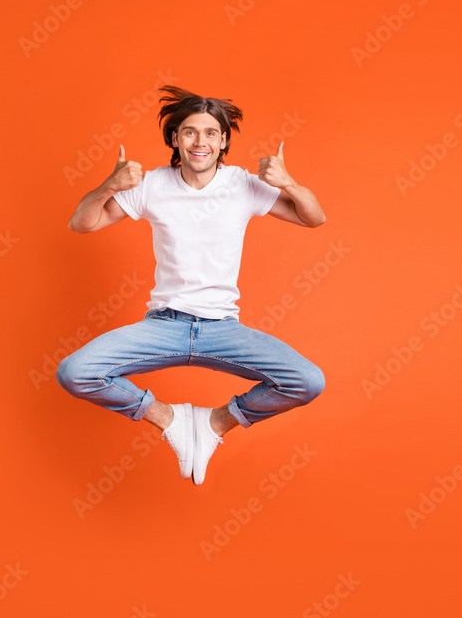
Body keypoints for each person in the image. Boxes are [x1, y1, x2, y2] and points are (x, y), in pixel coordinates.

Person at [57, 85, 326, 486]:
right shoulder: (151, 185)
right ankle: (173, 421)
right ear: (174, 139)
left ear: (223, 142)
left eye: (211, 133)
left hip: (222, 329)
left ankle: (213, 423)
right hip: (162, 325)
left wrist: (288, 182)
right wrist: (109, 185)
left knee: (307, 381)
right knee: (75, 372)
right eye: (189, 132)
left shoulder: (243, 184)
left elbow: (313, 217)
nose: (200, 141)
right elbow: (82, 223)